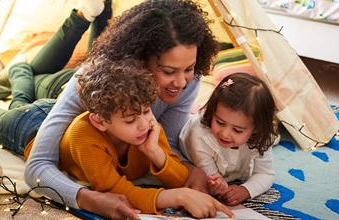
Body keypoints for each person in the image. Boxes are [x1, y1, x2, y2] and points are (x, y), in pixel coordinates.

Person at [22, 0, 221, 218]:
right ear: (139, 59)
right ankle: (19, 71)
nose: (182, 82)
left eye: (189, 69)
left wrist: (190, 169)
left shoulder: (188, 82)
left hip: (93, 134)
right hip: (37, 115)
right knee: (23, 91)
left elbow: (168, 143)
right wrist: (89, 198)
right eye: (168, 71)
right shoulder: (90, 79)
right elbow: (37, 167)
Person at [179, 73, 278, 206]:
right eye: (220, 122)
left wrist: (246, 190)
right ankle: (196, 111)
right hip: (190, 148)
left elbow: (266, 174)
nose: (225, 134)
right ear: (213, 111)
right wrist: (217, 184)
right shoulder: (199, 134)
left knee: (272, 138)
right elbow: (210, 177)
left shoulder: (262, 137)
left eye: (237, 130)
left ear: (257, 128)